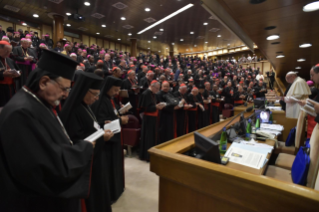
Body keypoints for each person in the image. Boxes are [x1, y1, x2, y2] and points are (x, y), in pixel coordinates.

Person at [0, 49, 95, 212]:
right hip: (34, 203)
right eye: (64, 89)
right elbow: (43, 167)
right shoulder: (21, 112)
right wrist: (84, 148)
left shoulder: (39, 103)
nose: (65, 95)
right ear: (43, 82)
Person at [60, 72, 114, 212]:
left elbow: (91, 128)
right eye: (94, 94)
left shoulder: (85, 106)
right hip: (87, 164)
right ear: (84, 91)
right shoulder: (73, 110)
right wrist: (102, 138)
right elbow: (76, 140)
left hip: (96, 159)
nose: (97, 98)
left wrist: (102, 130)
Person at [91, 76, 129, 202]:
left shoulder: (111, 99)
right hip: (107, 142)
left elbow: (112, 114)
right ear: (107, 88)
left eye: (118, 90)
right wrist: (119, 120)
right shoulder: (100, 101)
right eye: (115, 90)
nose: (117, 93)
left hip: (116, 137)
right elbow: (99, 121)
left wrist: (120, 112)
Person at [138, 80, 164, 161]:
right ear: (152, 86)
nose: (157, 90)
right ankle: (147, 156)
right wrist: (156, 107)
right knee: (149, 137)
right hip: (148, 119)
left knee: (153, 136)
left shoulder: (152, 93)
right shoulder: (145, 94)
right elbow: (144, 108)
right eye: (157, 88)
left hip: (154, 117)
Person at [0, 41, 20, 107]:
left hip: (10, 88)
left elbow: (19, 70)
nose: (8, 54)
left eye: (10, 52)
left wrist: (17, 74)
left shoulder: (9, 60)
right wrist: (2, 74)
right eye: (6, 51)